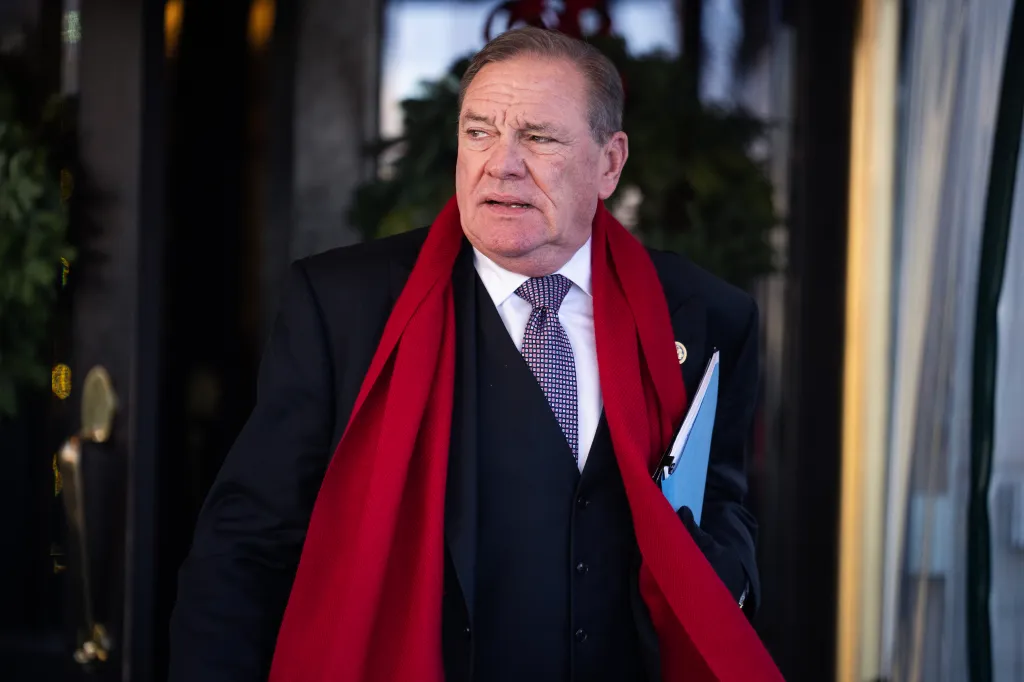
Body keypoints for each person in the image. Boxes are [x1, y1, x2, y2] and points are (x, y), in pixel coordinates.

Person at [169, 26, 781, 682]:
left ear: (610, 163)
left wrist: (724, 581)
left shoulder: (705, 314)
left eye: (538, 137)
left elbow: (722, 498)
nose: (501, 163)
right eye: (479, 132)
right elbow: (249, 541)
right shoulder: (344, 307)